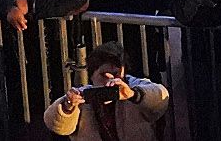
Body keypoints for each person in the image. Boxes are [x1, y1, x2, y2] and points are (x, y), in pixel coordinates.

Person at [39, 43, 169, 141]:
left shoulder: (133, 86)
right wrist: (68, 107)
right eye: (103, 75)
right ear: (92, 76)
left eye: (115, 74)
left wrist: (133, 95)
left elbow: (160, 97)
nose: (109, 81)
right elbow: (54, 123)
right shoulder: (83, 95)